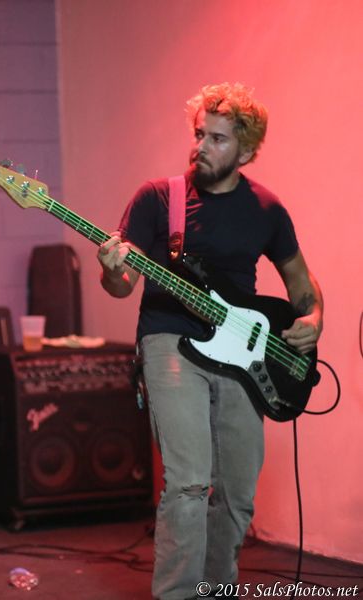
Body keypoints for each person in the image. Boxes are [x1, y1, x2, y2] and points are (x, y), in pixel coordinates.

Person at [97, 83, 323, 600]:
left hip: (242, 352)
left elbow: (302, 286)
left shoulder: (266, 208)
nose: (201, 147)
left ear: (245, 151)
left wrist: (314, 317)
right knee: (189, 483)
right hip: (169, 338)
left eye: (217, 139)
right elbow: (122, 285)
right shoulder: (159, 198)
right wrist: (111, 270)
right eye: (199, 134)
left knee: (237, 493)